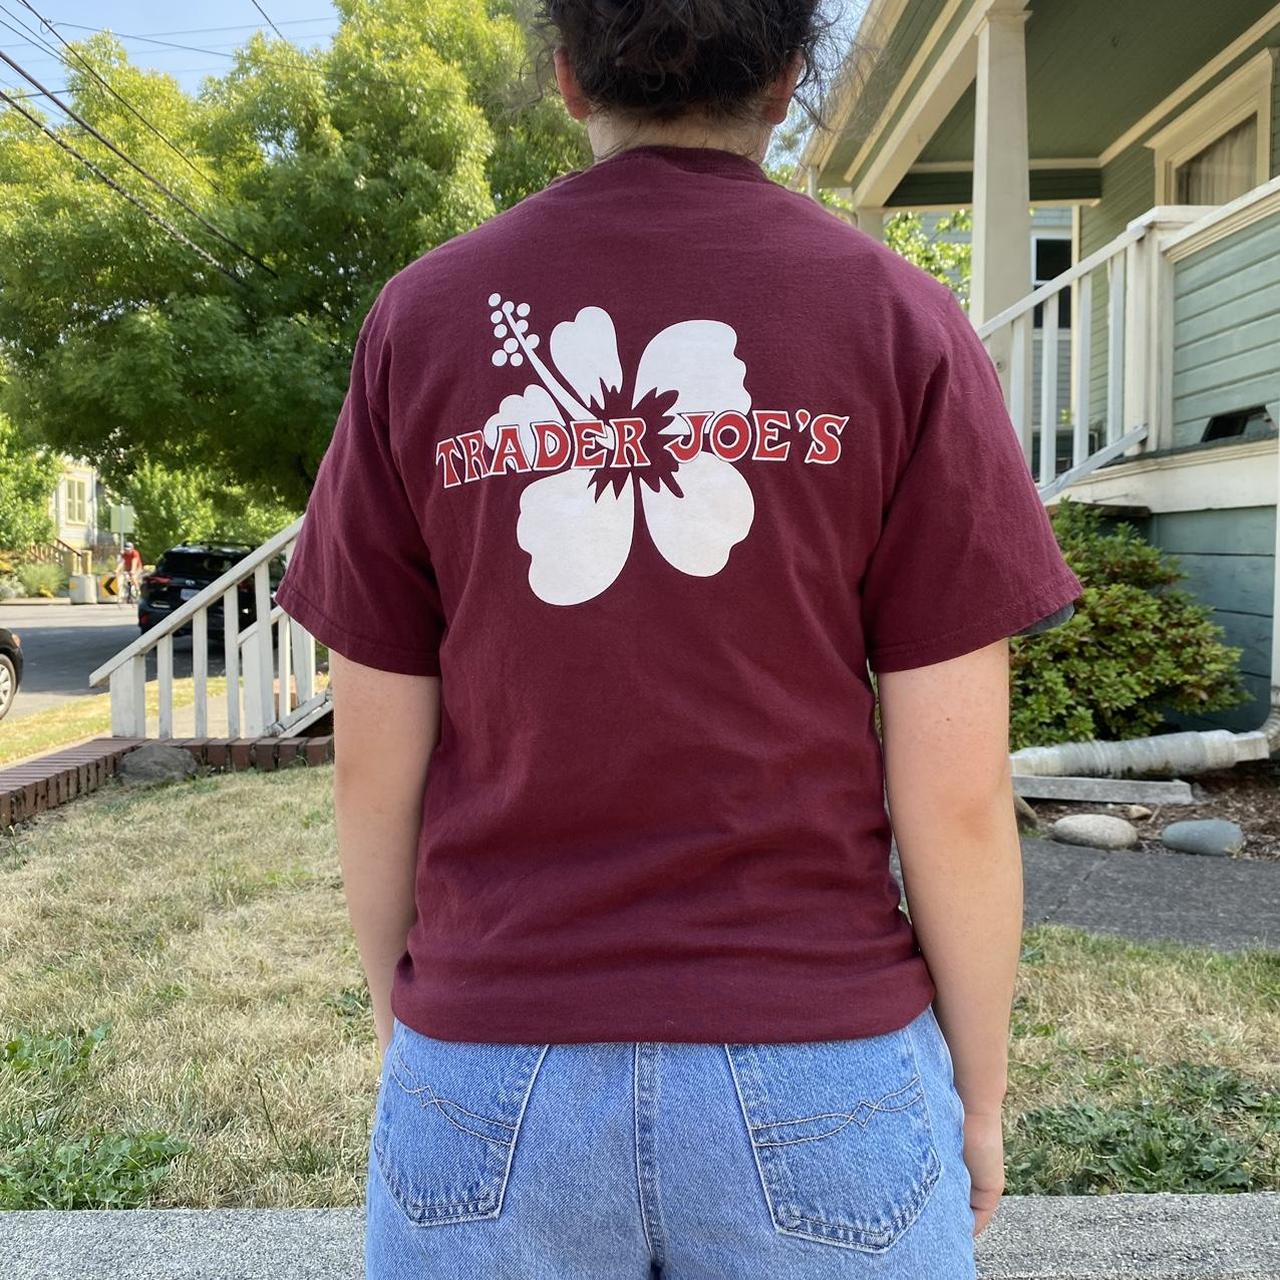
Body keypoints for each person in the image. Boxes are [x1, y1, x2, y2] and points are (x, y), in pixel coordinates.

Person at [274, 3, 1083, 1276]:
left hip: (489, 1057)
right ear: (787, 74)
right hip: (825, 1067)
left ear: (561, 70)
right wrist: (975, 1094)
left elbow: (372, 764)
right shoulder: (897, 320)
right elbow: (959, 795)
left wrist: (415, 1026)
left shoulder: (419, 321)